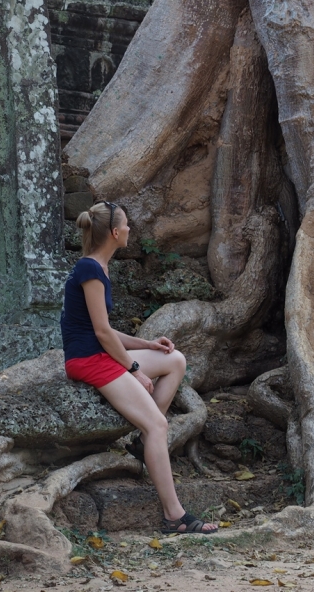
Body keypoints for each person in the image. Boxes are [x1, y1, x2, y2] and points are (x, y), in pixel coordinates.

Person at [61, 200, 217, 535]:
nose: (131, 229)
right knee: (159, 426)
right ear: (115, 232)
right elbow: (101, 334)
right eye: (127, 225)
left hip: (99, 353)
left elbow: (102, 329)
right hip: (88, 360)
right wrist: (134, 369)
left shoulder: (99, 268)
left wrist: (147, 345)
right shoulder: (90, 269)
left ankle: (141, 441)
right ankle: (174, 515)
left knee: (174, 360)